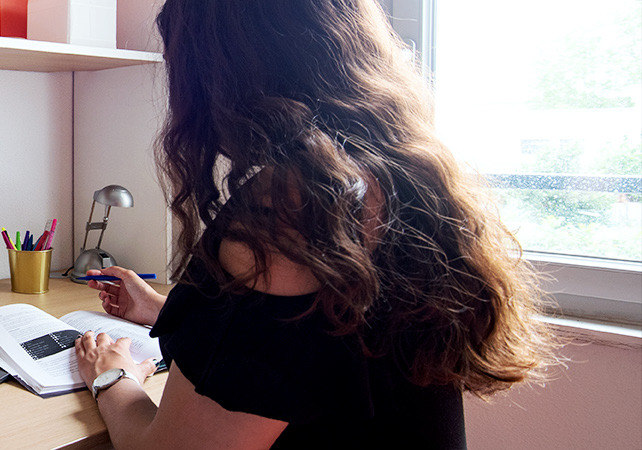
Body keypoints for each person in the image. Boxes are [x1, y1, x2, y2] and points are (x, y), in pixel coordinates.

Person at [72, 1, 558, 449]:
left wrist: (113, 377)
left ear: (216, 70)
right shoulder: (399, 173)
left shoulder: (287, 209)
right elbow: (314, 343)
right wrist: (165, 310)